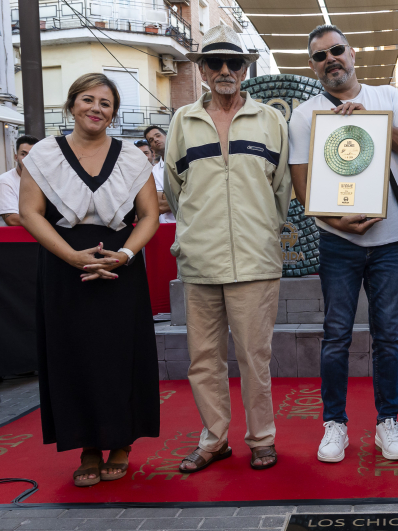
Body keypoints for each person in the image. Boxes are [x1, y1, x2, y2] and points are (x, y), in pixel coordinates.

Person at [289, 25, 398, 463]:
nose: (330, 59)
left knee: (388, 337)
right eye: (319, 56)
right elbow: (302, 185)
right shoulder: (303, 114)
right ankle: (336, 424)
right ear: (313, 67)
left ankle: (387, 421)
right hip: (337, 242)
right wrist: (336, 220)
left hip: (387, 242)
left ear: (351, 54)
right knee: (335, 337)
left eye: (336, 50)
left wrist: (371, 120)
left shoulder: (385, 96)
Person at [19, 73, 160, 487]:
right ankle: (87, 448)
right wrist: (72, 257)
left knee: (121, 355)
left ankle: (121, 442)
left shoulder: (134, 158)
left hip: (121, 264)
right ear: (71, 104)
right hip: (65, 266)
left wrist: (125, 254)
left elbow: (149, 215)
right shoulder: (44, 154)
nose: (96, 108)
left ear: (114, 113)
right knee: (72, 355)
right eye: (87, 99)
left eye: (105, 103)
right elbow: (30, 212)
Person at [164, 25, 291, 472]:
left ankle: (261, 439)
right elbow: (175, 189)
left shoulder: (271, 120)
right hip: (200, 260)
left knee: (255, 358)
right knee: (203, 359)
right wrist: (196, 232)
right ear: (201, 70)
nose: (224, 70)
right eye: (214, 63)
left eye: (233, 63)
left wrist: (262, 233)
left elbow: (282, 190)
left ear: (245, 69)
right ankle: (214, 439)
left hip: (256, 261)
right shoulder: (181, 121)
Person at [0, 135, 39, 227]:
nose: (28, 159)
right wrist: (49, 222)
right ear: (16, 157)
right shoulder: (4, 181)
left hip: (34, 239)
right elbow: (12, 220)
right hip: (9, 240)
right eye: (23, 154)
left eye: (32, 154)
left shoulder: (42, 181)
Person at [144, 125, 174, 223]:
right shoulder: (154, 172)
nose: (156, 140)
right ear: (151, 147)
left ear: (167, 136)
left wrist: (167, 196)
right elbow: (160, 206)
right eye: (151, 140)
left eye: (158, 135)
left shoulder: (187, 161)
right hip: (168, 226)